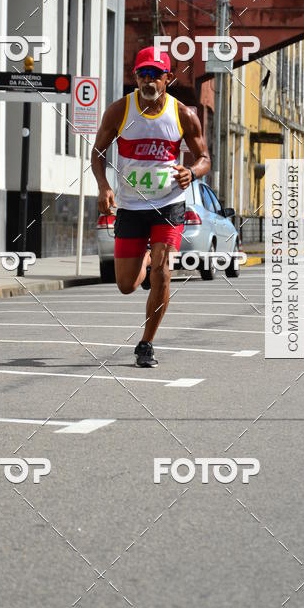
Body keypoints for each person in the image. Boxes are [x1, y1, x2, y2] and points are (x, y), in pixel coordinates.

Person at [92, 46, 211, 368]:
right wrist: (104, 187)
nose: (148, 80)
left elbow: (204, 158)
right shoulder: (120, 111)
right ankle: (146, 254)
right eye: (142, 74)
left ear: (168, 78)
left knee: (162, 272)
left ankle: (146, 343)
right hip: (130, 207)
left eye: (155, 75)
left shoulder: (183, 114)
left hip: (168, 205)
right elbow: (98, 152)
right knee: (127, 286)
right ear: (135, 77)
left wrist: (192, 172)